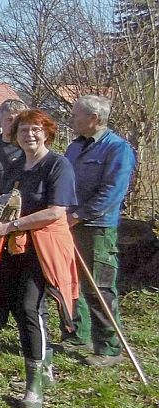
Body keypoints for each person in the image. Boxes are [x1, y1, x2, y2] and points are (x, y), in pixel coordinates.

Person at [0, 109, 78, 408]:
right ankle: (45, 365)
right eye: (24, 129)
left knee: (30, 306)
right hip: (16, 247)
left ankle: (34, 387)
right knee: (19, 305)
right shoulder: (15, 166)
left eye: (36, 129)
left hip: (45, 245)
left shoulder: (58, 165)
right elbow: (6, 201)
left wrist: (13, 225)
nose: (29, 134)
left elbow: (56, 211)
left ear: (47, 133)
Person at [64, 94, 136, 367]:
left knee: (99, 286)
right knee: (71, 283)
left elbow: (112, 192)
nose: (71, 119)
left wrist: (79, 216)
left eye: (76, 115)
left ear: (93, 119)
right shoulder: (74, 148)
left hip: (96, 228)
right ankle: (78, 334)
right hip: (68, 224)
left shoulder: (117, 149)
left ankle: (108, 348)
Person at [0, 99, 29, 334]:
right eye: (9, 118)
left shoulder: (29, 148)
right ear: (0, 120)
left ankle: (23, 314)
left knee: (21, 268)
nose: (14, 123)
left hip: (23, 217)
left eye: (18, 118)